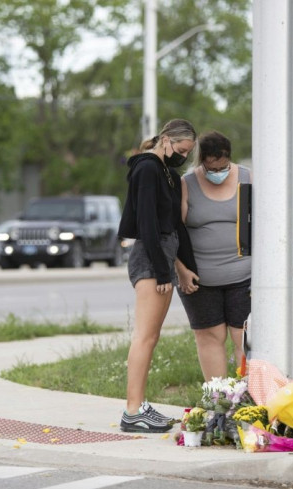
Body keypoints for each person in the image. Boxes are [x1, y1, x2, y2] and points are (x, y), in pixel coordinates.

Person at [117, 119, 199, 433]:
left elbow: (173, 227)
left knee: (152, 337)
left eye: (187, 153)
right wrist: (163, 270)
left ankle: (139, 405)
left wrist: (184, 268)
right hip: (151, 259)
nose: (182, 156)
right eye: (180, 149)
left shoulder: (169, 174)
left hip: (164, 256)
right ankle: (132, 411)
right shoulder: (147, 169)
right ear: (165, 140)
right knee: (144, 336)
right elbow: (148, 224)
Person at [176, 130, 252, 382]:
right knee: (210, 337)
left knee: (244, 336)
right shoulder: (187, 184)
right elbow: (174, 230)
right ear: (201, 161)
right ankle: (218, 401)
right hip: (199, 280)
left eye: (222, 166)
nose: (217, 172)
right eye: (211, 168)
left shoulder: (247, 178)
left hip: (244, 275)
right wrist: (181, 270)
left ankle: (249, 400)